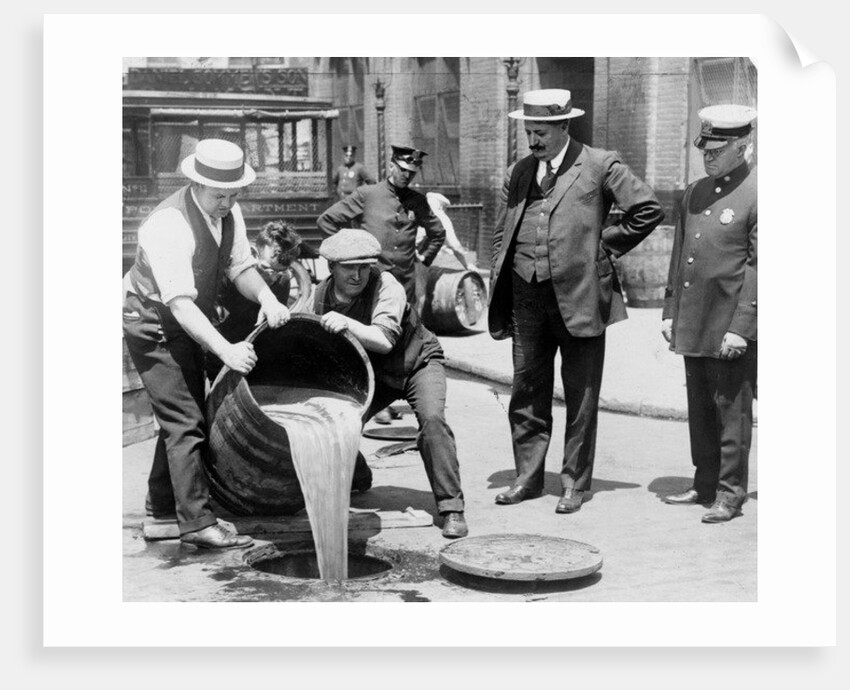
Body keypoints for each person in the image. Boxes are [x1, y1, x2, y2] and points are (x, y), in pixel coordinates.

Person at [488, 88, 664, 514]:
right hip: (527, 296)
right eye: (529, 132)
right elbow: (502, 233)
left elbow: (647, 209)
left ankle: (574, 483)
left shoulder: (600, 164)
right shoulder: (519, 171)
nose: (534, 141)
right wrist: (501, 279)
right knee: (526, 390)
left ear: (564, 126)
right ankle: (527, 478)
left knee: (581, 395)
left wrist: (602, 247)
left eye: (542, 132)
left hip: (581, 295)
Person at [122, 138, 291, 549]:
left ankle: (162, 512)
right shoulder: (168, 225)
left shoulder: (228, 212)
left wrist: (267, 298)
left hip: (182, 318)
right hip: (151, 320)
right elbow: (180, 304)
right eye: (219, 196)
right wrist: (225, 350)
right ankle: (197, 523)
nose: (227, 204)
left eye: (234, 195)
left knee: (185, 413)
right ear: (196, 184)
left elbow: (240, 266)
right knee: (185, 420)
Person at [309, 228, 468, 539]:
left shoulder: (386, 285)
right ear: (331, 267)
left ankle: (452, 508)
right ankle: (358, 475)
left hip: (418, 362)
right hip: (376, 374)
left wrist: (347, 322)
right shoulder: (320, 295)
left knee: (432, 422)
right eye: (348, 268)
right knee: (337, 421)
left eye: (364, 267)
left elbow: (383, 340)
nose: (357, 275)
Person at [661, 104, 758, 524]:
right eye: (705, 149)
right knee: (700, 408)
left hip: (729, 324)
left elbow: (759, 267)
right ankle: (704, 483)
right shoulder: (695, 192)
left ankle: (730, 493)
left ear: (743, 146)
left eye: (717, 150)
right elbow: (680, 254)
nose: (708, 157)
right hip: (694, 320)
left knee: (731, 411)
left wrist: (742, 327)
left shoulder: (758, 192)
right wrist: (670, 311)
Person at [317, 144, 446, 306]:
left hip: (405, 283)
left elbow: (438, 233)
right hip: (371, 281)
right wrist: (348, 254)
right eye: (402, 170)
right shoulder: (367, 194)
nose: (407, 175)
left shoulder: (418, 201)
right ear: (391, 166)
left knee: (407, 320)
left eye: (412, 172)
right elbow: (326, 220)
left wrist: (425, 257)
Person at [206, 220, 318, 382]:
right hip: (219, 342)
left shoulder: (282, 280)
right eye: (266, 268)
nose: (272, 276)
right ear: (253, 254)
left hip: (249, 344)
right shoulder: (229, 274)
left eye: (280, 271)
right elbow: (210, 315)